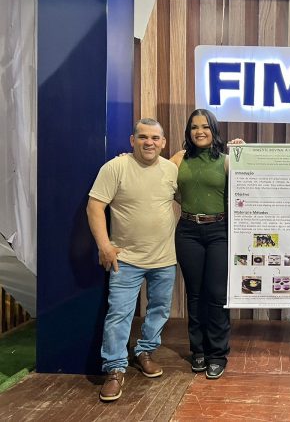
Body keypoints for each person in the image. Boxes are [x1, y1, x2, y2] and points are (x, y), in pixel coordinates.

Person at [87, 118, 178, 402]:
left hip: (164, 258)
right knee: (119, 314)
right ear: (132, 140)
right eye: (143, 137)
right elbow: (95, 206)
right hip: (125, 259)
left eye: (155, 138)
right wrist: (104, 245)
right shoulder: (115, 167)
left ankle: (145, 352)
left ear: (163, 142)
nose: (149, 142)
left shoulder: (171, 169)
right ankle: (115, 369)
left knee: (159, 309)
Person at [170, 109, 242, 379]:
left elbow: (249, 184)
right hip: (188, 231)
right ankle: (198, 350)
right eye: (194, 127)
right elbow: (157, 178)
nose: (199, 131)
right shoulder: (179, 159)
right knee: (195, 294)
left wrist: (244, 154)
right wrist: (127, 159)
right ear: (188, 131)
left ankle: (217, 353)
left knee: (216, 294)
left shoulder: (226, 161)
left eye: (205, 126)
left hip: (219, 232)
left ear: (214, 130)